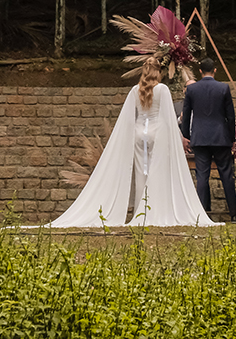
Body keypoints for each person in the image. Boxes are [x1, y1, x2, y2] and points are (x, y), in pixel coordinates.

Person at [48, 57, 219, 228]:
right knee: (159, 171)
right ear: (158, 71)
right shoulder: (162, 89)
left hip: (139, 134)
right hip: (157, 133)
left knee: (141, 172)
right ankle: (157, 209)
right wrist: (179, 137)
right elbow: (167, 118)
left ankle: (141, 209)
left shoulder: (135, 90)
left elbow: (129, 118)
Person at [180, 57, 236, 223]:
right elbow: (230, 116)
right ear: (215, 70)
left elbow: (186, 115)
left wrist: (187, 135)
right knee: (227, 176)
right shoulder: (223, 88)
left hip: (199, 138)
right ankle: (234, 215)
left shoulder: (192, 90)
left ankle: (200, 216)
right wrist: (231, 138)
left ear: (200, 71)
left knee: (202, 177)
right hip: (220, 137)